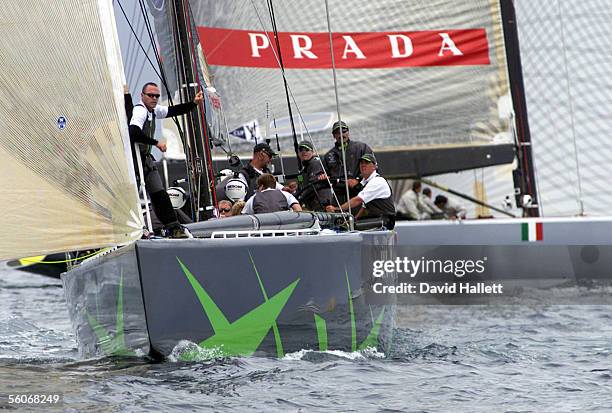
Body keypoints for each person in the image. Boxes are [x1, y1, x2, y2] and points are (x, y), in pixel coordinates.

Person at [129, 82, 203, 238]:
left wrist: (194, 103)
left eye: (156, 96)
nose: (154, 98)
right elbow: (134, 132)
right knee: (131, 195)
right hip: (134, 161)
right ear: (142, 96)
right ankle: (131, 229)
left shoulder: (154, 111)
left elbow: (173, 110)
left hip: (146, 161)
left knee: (160, 193)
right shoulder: (140, 111)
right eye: (150, 95)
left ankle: (174, 227)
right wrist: (156, 143)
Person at [326, 154, 395, 229]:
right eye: (361, 163)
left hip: (384, 221)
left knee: (351, 228)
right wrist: (355, 219)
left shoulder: (377, 181)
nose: (363, 165)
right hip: (376, 220)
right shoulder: (365, 183)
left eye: (367, 162)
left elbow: (358, 200)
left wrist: (337, 209)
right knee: (348, 226)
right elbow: (364, 208)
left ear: (375, 166)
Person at [322, 120, 374, 204]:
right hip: (338, 196)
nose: (341, 135)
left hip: (360, 193)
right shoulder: (328, 155)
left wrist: (358, 180)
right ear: (334, 135)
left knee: (358, 217)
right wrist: (323, 177)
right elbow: (325, 175)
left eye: (344, 131)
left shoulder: (362, 147)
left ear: (348, 132)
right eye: (338, 133)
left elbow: (373, 168)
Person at [215, 142, 283, 202]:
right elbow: (239, 202)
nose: (271, 160)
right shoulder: (244, 175)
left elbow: (278, 187)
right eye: (269, 156)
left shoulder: (267, 173)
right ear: (261, 155)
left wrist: (287, 189)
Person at [295, 140, 333, 211]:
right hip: (312, 206)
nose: (304, 152)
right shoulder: (301, 173)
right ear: (298, 153)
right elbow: (301, 186)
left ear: (312, 152)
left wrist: (299, 198)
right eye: (301, 150)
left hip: (322, 206)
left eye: (306, 150)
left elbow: (313, 185)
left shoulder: (316, 163)